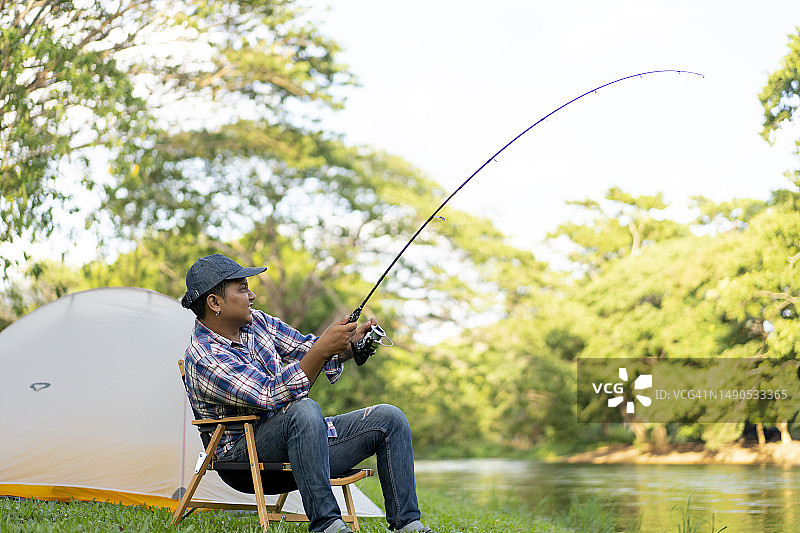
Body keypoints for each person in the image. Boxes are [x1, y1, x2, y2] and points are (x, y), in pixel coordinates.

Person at [180, 253, 434, 533]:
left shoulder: (258, 323)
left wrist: (350, 346)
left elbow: (306, 348)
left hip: (301, 445)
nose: (252, 295)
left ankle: (408, 524)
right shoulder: (205, 356)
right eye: (242, 288)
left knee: (390, 417)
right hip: (244, 461)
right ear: (214, 303)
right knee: (303, 408)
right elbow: (268, 394)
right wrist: (322, 349)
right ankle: (327, 525)